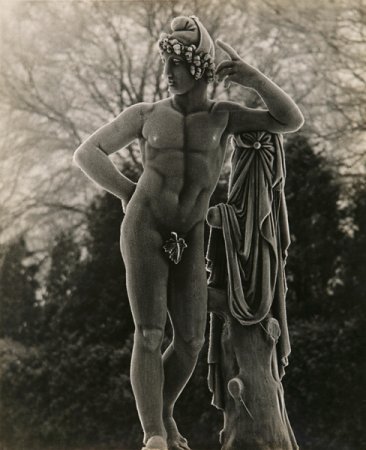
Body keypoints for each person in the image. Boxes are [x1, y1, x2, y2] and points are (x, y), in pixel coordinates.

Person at [73, 15, 304, 450]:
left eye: (176, 64)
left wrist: (252, 77)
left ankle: (164, 417)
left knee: (192, 340)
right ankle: (155, 435)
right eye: (167, 63)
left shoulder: (224, 117)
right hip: (145, 227)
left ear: (199, 67)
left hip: (191, 232)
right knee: (149, 332)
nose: (168, 73)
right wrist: (128, 193)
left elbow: (289, 120)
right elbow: (88, 153)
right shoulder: (145, 114)